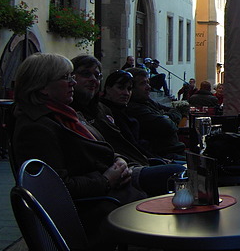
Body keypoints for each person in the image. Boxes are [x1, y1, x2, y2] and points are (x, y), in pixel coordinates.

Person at [11, 53, 146, 242]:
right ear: (42, 88)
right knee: (175, 186)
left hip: (115, 188)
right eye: (66, 77)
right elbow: (58, 188)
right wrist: (107, 179)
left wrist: (119, 161)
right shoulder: (37, 127)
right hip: (92, 210)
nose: (72, 82)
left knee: (178, 183)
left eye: (72, 77)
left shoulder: (65, 115)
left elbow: (101, 149)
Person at [70, 56, 185, 195]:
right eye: (86, 74)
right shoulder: (74, 115)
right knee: (180, 173)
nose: (93, 79)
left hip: (133, 163)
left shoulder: (101, 110)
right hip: (119, 173)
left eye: (97, 75)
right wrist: (111, 174)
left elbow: (121, 145)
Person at [126, 67, 187, 160]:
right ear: (131, 88)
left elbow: (169, 109)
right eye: (143, 83)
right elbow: (168, 125)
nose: (149, 87)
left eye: (148, 82)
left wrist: (167, 115)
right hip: (166, 155)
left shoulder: (147, 101)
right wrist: (170, 115)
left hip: (176, 150)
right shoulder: (134, 108)